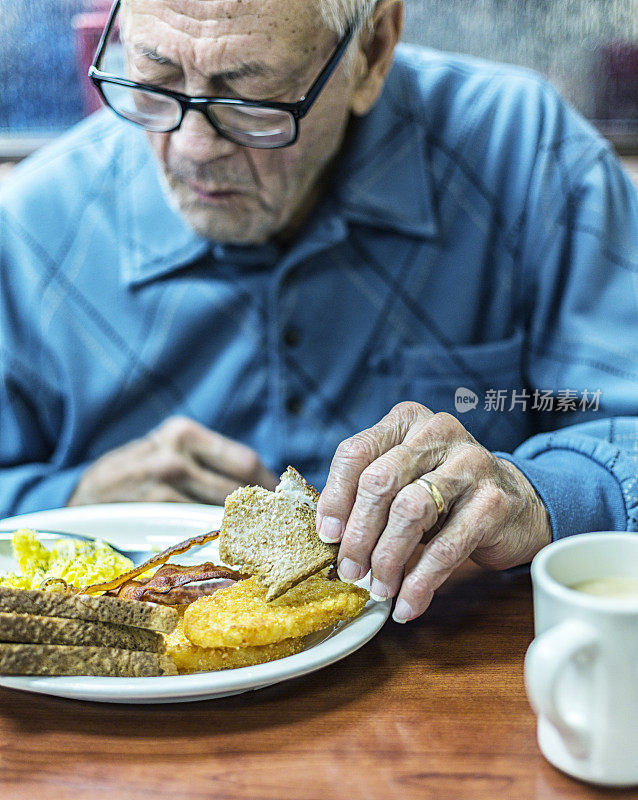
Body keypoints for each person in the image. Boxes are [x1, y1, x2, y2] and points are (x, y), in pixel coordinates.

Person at [1, 0, 636, 623]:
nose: (193, 148)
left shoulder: (526, 159)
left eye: (250, 98)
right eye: (154, 78)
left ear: (373, 47)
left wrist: (531, 494)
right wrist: (71, 502)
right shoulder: (32, 233)